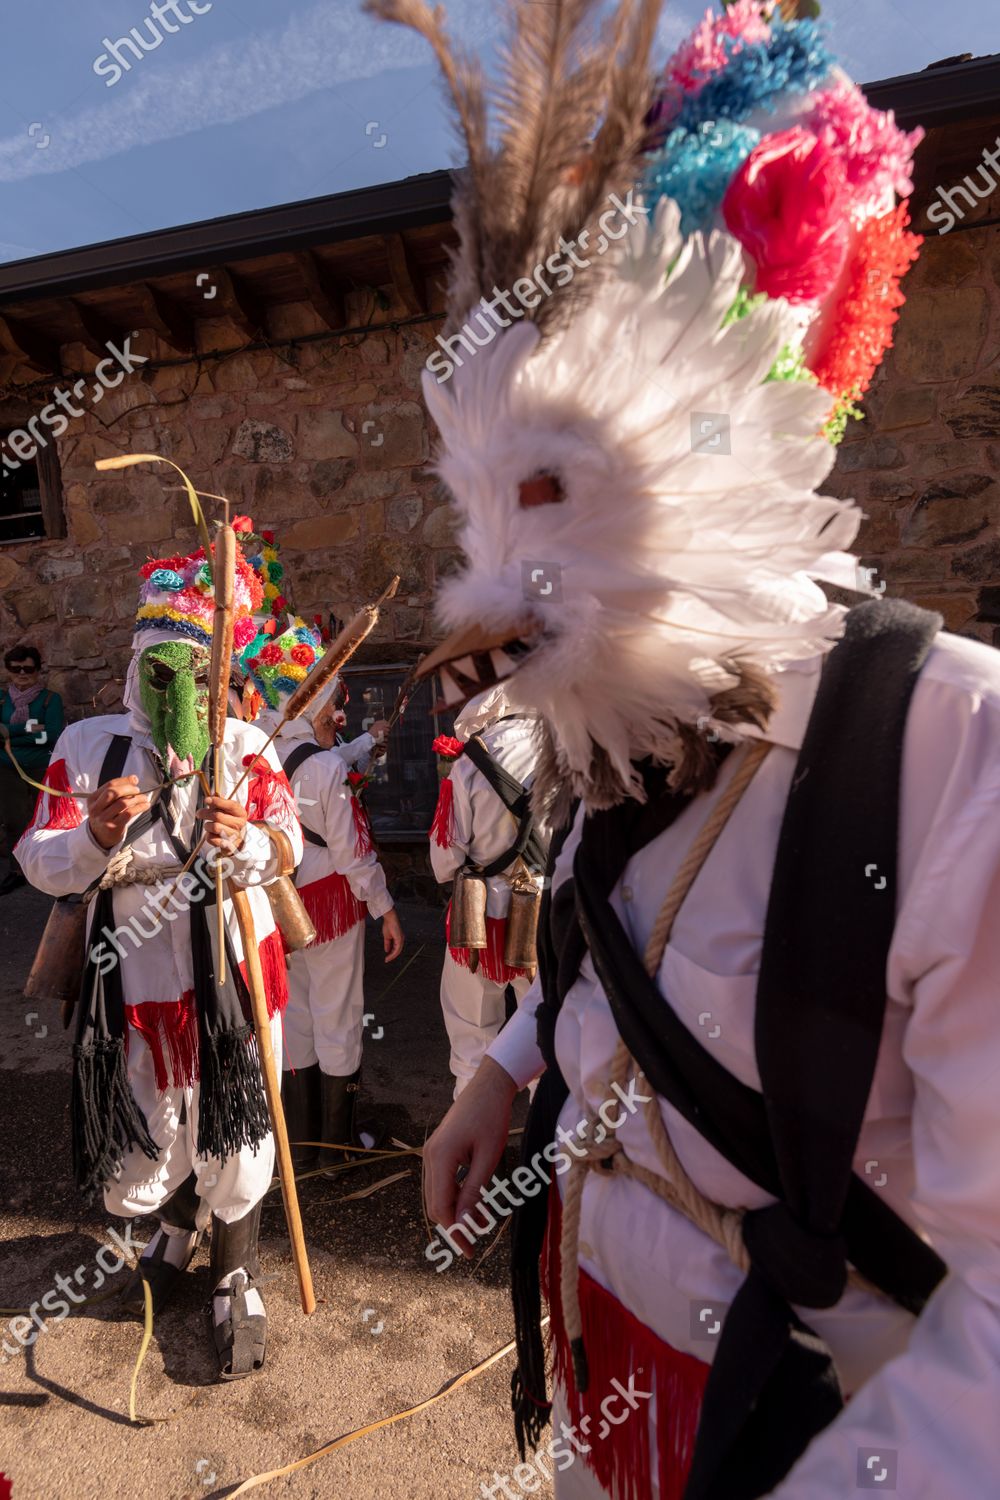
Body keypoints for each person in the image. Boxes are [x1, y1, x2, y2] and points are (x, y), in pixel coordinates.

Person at [367, 3, 977, 1497]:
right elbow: (612, 937)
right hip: (604, 1370)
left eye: (553, 489)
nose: (487, 581)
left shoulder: (955, 751)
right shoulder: (618, 713)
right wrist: (504, 1075)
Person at [17, 536, 302, 1381]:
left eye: (199, 675)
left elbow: (291, 846)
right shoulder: (88, 749)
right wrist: (95, 833)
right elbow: (40, 853)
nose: (181, 693)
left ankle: (236, 1272)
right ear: (137, 663)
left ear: (220, 676)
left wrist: (246, 836)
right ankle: (175, 1232)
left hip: (233, 979)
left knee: (239, 1120)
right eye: (161, 671)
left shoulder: (250, 744)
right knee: (153, 1117)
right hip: (134, 985)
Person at [241, 619, 404, 1172]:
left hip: (279, 903)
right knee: (339, 1012)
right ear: (312, 706)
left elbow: (321, 764)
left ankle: (304, 1141)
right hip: (332, 904)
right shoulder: (328, 766)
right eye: (334, 702)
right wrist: (384, 908)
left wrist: (364, 743)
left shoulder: (256, 754)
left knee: (298, 1014)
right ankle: (338, 1147)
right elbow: (353, 853)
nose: (339, 713)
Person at [428, 685, 548, 1097]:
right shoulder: (571, 752)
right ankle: (545, 1152)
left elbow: (444, 863)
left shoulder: (469, 762)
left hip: (481, 915)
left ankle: (472, 1157)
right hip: (548, 912)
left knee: (473, 1037)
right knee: (547, 1037)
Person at [0, 644, 64, 894]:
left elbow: (51, 736)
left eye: (28, 668)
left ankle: (45, 869)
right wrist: (31, 727)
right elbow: (38, 732)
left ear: (38, 670)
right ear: (8, 671)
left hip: (40, 768)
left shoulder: (50, 700)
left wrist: (10, 732)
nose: (22, 674)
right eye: (16, 669)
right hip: (7, 769)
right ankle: (17, 870)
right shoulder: (3, 700)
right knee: (14, 821)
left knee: (45, 819)